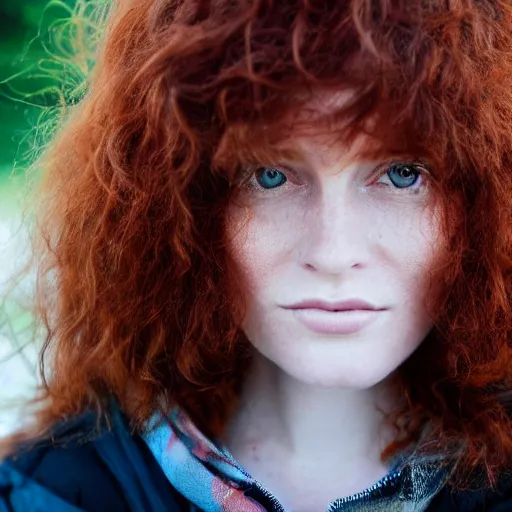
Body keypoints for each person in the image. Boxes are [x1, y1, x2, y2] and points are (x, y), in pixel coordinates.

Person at [1, 0, 512, 510]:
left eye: (403, 175)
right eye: (270, 175)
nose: (333, 253)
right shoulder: (52, 492)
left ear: (487, 204)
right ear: (182, 206)